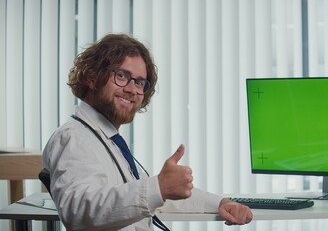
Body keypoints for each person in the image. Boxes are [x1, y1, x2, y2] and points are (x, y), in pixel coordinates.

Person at [42, 33, 253, 230]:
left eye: (139, 82)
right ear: (92, 77)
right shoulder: (74, 138)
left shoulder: (105, 139)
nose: (132, 89)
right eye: (121, 75)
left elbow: (153, 197)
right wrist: (158, 187)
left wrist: (220, 203)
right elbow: (77, 211)